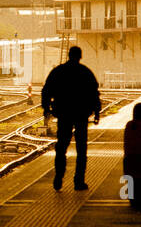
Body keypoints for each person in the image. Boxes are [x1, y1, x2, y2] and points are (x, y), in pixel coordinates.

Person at [41, 45, 101, 191]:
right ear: (80, 56)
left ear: (68, 55)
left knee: (61, 146)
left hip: (64, 114)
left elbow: (46, 90)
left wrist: (46, 109)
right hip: (81, 114)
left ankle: (58, 177)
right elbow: (94, 93)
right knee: (81, 149)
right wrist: (97, 112)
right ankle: (79, 181)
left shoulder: (58, 71)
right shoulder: (85, 72)